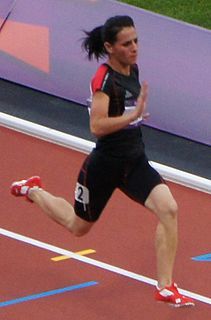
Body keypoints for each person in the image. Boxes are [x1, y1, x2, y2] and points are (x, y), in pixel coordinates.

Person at [10, 15, 194, 307]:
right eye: (126, 43)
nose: (134, 47)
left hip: (134, 162)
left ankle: (165, 286)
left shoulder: (132, 69)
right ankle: (32, 189)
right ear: (110, 47)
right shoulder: (104, 79)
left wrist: (133, 120)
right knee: (77, 227)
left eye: (136, 41)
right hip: (104, 166)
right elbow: (97, 126)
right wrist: (132, 117)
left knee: (169, 209)